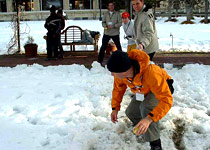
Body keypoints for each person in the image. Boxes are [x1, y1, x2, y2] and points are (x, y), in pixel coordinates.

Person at [107, 50, 174, 150]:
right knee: (131, 112)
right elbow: (118, 90)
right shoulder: (120, 76)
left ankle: (155, 144)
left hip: (162, 89)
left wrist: (148, 119)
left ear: (124, 71)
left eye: (114, 72)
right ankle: (142, 128)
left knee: (146, 108)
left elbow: (167, 100)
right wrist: (115, 108)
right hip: (143, 90)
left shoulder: (152, 72)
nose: (112, 74)